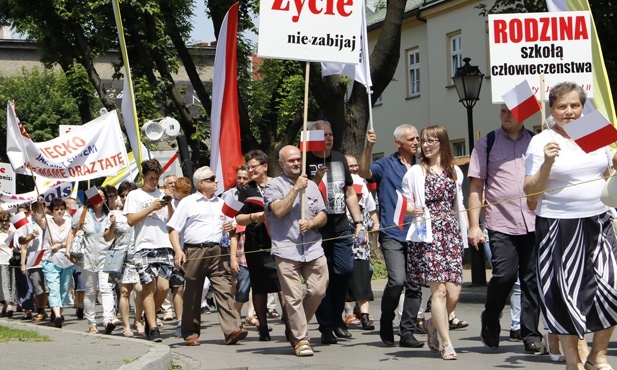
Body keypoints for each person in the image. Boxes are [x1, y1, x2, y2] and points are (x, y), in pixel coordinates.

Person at [524, 82, 617, 370]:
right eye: (562, 106)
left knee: (612, 286)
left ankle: (598, 354)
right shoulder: (541, 141)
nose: (569, 112)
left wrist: (614, 163)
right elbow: (530, 196)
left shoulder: (594, 133)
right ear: (551, 109)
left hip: (599, 221)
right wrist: (547, 165)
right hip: (558, 227)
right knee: (564, 296)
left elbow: (605, 174)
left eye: (575, 105)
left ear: (582, 107)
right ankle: (573, 362)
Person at [467, 104, 543, 352]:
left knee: (532, 280)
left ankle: (531, 333)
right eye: (502, 110)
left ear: (525, 113)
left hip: (533, 221)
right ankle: (490, 318)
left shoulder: (536, 141)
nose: (506, 114)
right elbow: (476, 188)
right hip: (501, 222)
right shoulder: (487, 143)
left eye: (511, 110)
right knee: (505, 275)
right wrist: (474, 226)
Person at [402, 125, 467, 360]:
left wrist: (468, 231)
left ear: (442, 143)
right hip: (427, 235)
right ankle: (447, 342)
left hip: (451, 234)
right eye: (424, 141)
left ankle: (431, 324)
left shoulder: (454, 172)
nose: (426, 145)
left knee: (454, 293)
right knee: (438, 290)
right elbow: (404, 203)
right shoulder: (415, 172)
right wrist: (412, 209)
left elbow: (459, 204)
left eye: (431, 141)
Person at [358, 124, 425, 348]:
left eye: (418, 138)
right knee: (398, 281)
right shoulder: (386, 164)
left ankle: (407, 331)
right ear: (398, 143)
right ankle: (387, 320)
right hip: (393, 232)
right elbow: (364, 172)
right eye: (411, 139)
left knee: (414, 285)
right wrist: (369, 147)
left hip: (419, 233)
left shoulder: (422, 166)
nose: (417, 142)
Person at [168, 166, 247, 346]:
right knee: (193, 294)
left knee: (224, 289)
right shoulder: (188, 202)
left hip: (219, 251)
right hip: (195, 251)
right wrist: (178, 251)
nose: (216, 181)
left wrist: (230, 226)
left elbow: (232, 224)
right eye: (212, 179)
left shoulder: (221, 203)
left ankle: (232, 329)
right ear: (201, 184)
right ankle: (190, 333)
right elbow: (173, 229)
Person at [264, 145, 328, 357]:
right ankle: (301, 339)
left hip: (312, 247)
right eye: (291, 161)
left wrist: (310, 223)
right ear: (281, 164)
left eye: (298, 160)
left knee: (318, 291)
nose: (296, 163)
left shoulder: (311, 186)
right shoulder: (273, 186)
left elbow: (322, 215)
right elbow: (279, 211)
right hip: (286, 249)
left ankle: (295, 326)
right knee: (293, 297)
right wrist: (295, 189)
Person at [305, 120, 363, 344]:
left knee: (343, 271)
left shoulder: (339, 158)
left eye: (331, 134)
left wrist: (357, 221)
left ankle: (338, 316)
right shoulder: (305, 160)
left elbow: (349, 192)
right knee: (322, 280)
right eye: (324, 135)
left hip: (340, 227)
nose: (329, 138)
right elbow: (302, 193)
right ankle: (326, 326)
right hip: (316, 231)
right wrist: (316, 178)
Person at [235, 150, 288, 341]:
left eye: (253, 167)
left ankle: (290, 326)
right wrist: (254, 216)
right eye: (248, 167)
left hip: (279, 241)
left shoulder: (278, 184)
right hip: (256, 243)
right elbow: (238, 217)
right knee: (259, 287)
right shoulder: (246, 190)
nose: (250, 170)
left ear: (264, 166)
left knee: (283, 285)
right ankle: (263, 328)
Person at [123, 159, 175, 342]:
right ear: (143, 176)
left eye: (157, 178)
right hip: (144, 245)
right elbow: (130, 220)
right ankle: (153, 327)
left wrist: (168, 203)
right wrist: (151, 207)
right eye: (151, 178)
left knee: (164, 287)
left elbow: (172, 221)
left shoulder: (162, 193)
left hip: (164, 245)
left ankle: (148, 316)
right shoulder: (135, 195)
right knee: (147, 287)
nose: (154, 182)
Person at [66, 187, 114, 334]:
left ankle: (107, 320)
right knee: (90, 291)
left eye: (102, 197)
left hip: (106, 256)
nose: (99, 200)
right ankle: (92, 323)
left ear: (105, 199)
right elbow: (73, 230)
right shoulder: (83, 212)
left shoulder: (110, 214)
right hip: (87, 257)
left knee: (106, 288)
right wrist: (68, 250)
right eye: (96, 197)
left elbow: (114, 234)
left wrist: (113, 223)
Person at [104, 181, 142, 337]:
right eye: (122, 195)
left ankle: (138, 320)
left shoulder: (141, 212)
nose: (125, 197)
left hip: (140, 255)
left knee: (140, 290)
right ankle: (126, 326)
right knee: (125, 292)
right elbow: (107, 237)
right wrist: (112, 224)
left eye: (128, 194)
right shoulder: (115, 214)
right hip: (123, 258)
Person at [345, 174, 379, 330]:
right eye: (356, 194)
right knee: (345, 285)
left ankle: (364, 316)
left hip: (362, 253)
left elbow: (372, 224)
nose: (358, 197)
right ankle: (348, 313)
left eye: (360, 194)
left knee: (362, 286)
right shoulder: (344, 211)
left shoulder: (364, 209)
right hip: (347, 252)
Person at [36, 198, 75, 328]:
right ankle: (58, 316)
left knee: (64, 289)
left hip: (67, 260)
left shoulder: (70, 222)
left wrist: (61, 245)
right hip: (50, 260)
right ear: (51, 211)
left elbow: (74, 239)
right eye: (56, 209)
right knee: (54, 288)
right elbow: (38, 217)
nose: (59, 212)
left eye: (61, 209)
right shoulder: (47, 221)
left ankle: (58, 311)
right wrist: (40, 204)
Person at [16, 201, 48, 323]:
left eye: (42, 208)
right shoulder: (27, 222)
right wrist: (23, 263)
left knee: (49, 288)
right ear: (32, 210)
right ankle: (40, 311)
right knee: (37, 287)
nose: (40, 211)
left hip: (49, 258)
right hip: (34, 259)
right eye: (37, 208)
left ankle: (48, 310)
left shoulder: (50, 220)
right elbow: (22, 242)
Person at [0, 210, 16, 317]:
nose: (4, 223)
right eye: (2, 221)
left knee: (12, 284)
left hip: (13, 260)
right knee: (5, 283)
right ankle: (8, 304)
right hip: (2, 260)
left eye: (6, 220)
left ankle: (5, 306)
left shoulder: (14, 231)